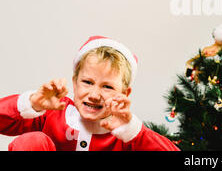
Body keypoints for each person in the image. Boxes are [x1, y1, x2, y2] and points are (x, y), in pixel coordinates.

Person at [0, 35, 180, 151]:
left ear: (125, 93)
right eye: (87, 82)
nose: (94, 94)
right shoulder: (53, 115)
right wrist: (32, 103)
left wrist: (136, 133)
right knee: (32, 142)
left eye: (107, 87)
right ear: (75, 83)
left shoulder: (123, 132)